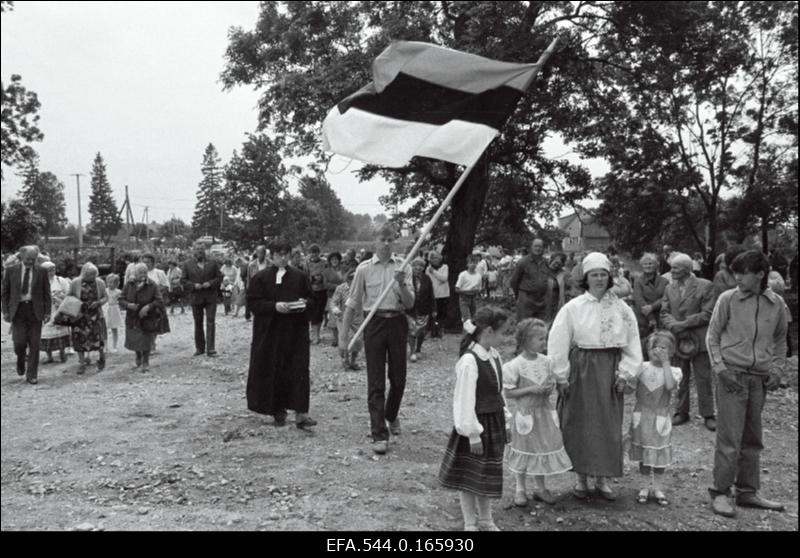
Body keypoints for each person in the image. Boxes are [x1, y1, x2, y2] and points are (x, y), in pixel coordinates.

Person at [548, 252, 642, 501]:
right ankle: (581, 477)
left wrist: (626, 373)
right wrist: (561, 375)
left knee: (607, 425)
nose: (599, 279)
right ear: (586, 279)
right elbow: (558, 342)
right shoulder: (573, 308)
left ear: (609, 277)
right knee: (579, 422)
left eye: (603, 274)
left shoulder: (622, 309)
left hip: (610, 369)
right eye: (594, 275)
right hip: (582, 368)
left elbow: (633, 344)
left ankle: (602, 478)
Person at [706, 250, 788, 518]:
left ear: (761, 275)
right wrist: (720, 369)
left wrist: (777, 368)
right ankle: (720, 492)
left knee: (753, 439)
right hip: (732, 376)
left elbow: (780, 340)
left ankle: (748, 491)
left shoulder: (776, 304)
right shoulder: (727, 299)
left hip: (759, 380)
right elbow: (713, 336)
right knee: (729, 438)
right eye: (735, 272)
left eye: (743, 273)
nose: (737, 278)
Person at [342, 224, 415, 455]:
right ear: (375, 241)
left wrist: (402, 282)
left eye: (389, 239)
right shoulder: (363, 269)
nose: (386, 243)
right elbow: (352, 304)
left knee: (399, 379)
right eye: (382, 239)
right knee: (376, 382)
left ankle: (391, 415)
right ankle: (379, 434)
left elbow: (411, 303)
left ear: (394, 241)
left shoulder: (405, 266)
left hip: (397, 322)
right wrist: (344, 338)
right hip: (373, 323)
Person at [438, 307, 510, 531]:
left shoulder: (494, 355)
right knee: (469, 479)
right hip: (476, 428)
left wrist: (506, 420)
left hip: (493, 422)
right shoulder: (470, 361)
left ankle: (487, 520)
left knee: (485, 475)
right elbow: (463, 400)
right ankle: (470, 523)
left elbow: (500, 392)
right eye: (502, 333)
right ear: (488, 331)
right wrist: (472, 433)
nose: (504, 338)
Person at [246, 241, 317, 431]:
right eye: (279, 254)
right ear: (272, 256)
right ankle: (278, 411)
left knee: (299, 370)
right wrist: (274, 307)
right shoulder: (261, 278)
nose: (283, 258)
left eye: (287, 254)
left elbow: (312, 300)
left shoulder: (300, 277)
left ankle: (301, 413)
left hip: (295, 333)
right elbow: (253, 303)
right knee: (274, 370)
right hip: (271, 334)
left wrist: (304, 303)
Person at [503, 318, 572, 507]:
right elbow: (509, 392)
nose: (544, 343)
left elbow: (554, 382)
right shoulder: (515, 365)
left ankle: (540, 488)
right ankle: (520, 488)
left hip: (543, 412)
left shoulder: (548, 362)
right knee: (524, 448)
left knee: (541, 448)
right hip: (526, 413)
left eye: (545, 338)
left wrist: (552, 386)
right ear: (525, 340)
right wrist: (530, 390)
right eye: (540, 339)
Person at [660, 253, 717, 431]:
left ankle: (708, 414)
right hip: (678, 339)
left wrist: (682, 324)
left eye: (675, 268)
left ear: (686, 269)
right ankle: (681, 411)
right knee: (680, 376)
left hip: (698, 340)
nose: (672, 271)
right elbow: (664, 312)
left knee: (703, 377)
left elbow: (708, 314)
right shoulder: (669, 288)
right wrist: (673, 326)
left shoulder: (705, 285)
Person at [624, 330, 681, 506]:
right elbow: (629, 390)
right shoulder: (641, 368)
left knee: (658, 451)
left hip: (660, 415)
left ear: (671, 351)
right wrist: (626, 379)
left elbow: (671, 386)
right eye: (653, 347)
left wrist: (665, 363)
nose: (657, 351)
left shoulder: (674, 371)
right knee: (644, 451)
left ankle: (657, 486)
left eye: (663, 347)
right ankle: (643, 486)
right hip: (642, 414)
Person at [1, 246, 51, 384]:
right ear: (22, 256)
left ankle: (32, 375)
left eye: (33, 259)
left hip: (36, 311)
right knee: (19, 342)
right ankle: (21, 359)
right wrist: (5, 311)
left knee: (35, 343)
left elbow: (47, 293)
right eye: (28, 259)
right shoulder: (11, 271)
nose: (31, 261)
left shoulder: (42, 271)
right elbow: (5, 293)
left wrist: (47, 312)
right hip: (18, 310)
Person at [119, 263, 164, 372]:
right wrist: (128, 305)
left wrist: (148, 307)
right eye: (140, 272)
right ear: (135, 273)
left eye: (145, 272)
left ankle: (145, 361)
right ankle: (138, 355)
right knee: (135, 339)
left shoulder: (152, 285)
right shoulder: (129, 284)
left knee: (146, 339)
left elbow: (159, 300)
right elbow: (121, 299)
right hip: (132, 317)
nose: (143, 274)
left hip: (147, 317)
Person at [181, 245, 223, 357]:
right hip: (196, 297)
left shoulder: (213, 263)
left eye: (201, 249)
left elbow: (220, 277)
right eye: (197, 249)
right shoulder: (187, 264)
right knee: (198, 323)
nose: (199, 251)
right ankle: (199, 348)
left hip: (210, 296)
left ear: (205, 251)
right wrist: (193, 286)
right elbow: (183, 280)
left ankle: (211, 349)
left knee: (210, 322)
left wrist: (210, 283)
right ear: (193, 251)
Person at [67, 262, 108, 375]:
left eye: (94, 274)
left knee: (98, 338)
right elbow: (69, 296)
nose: (93, 277)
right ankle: (81, 363)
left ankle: (101, 357)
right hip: (79, 316)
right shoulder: (76, 282)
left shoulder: (99, 282)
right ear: (84, 273)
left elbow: (105, 297)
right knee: (79, 339)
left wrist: (99, 302)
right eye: (90, 274)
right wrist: (77, 304)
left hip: (95, 315)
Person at [510, 238, 557, 321]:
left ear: (543, 249)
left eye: (540, 247)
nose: (538, 249)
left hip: (541, 300)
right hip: (526, 299)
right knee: (524, 326)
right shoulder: (523, 262)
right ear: (531, 247)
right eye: (535, 246)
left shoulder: (545, 262)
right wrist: (520, 295)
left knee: (539, 326)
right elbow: (514, 281)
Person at [632, 253, 669, 352]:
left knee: (660, 348)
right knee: (644, 348)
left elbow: (665, 298)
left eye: (650, 264)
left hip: (660, 317)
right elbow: (639, 300)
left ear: (656, 265)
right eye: (645, 264)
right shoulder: (638, 281)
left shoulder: (664, 281)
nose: (647, 266)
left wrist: (652, 307)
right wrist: (651, 318)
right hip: (644, 319)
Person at [330, 265, 363, 370]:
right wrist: (336, 310)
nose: (352, 280)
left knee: (357, 341)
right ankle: (345, 360)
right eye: (350, 277)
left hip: (358, 319)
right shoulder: (341, 288)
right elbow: (334, 302)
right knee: (345, 339)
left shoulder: (363, 288)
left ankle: (353, 361)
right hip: (343, 318)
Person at [40, 261, 72, 363]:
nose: (51, 272)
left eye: (53, 270)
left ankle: (62, 352)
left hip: (59, 309)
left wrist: (60, 297)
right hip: (47, 310)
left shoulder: (60, 280)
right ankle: (49, 356)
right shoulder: (40, 282)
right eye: (48, 271)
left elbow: (69, 294)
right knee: (46, 332)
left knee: (61, 330)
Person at [406, 257, 434, 363]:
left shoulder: (427, 278)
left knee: (421, 331)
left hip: (424, 308)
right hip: (411, 308)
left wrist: (434, 309)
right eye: (415, 265)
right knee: (412, 330)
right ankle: (412, 352)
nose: (418, 267)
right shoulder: (408, 277)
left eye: (421, 266)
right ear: (412, 267)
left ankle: (418, 348)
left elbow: (431, 294)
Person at [305, 245, 327, 344]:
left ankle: (318, 334)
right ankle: (314, 335)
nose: (313, 254)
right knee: (312, 313)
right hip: (312, 291)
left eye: (315, 252)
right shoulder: (307, 263)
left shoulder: (324, 262)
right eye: (312, 252)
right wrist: (313, 279)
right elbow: (305, 276)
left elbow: (326, 274)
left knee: (320, 312)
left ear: (319, 253)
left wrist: (321, 278)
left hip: (322, 290)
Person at [323, 251, 345, 347]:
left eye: (336, 259)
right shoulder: (326, 271)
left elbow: (349, 280)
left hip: (344, 297)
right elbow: (325, 284)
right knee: (333, 317)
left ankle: (343, 338)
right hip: (332, 297)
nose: (334, 261)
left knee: (344, 317)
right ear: (330, 261)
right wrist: (337, 286)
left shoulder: (345, 269)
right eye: (332, 259)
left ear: (339, 260)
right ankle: (335, 339)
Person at [426, 251, 449, 338]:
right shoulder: (428, 269)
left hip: (443, 294)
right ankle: (432, 331)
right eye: (433, 258)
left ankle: (440, 331)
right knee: (433, 314)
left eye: (436, 258)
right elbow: (427, 280)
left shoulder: (445, 267)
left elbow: (444, 278)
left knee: (441, 314)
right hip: (433, 294)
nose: (435, 260)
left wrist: (434, 272)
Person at [455, 254, 483, 323]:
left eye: (475, 263)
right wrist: (469, 290)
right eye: (471, 263)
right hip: (464, 298)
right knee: (467, 318)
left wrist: (477, 291)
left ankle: (473, 332)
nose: (473, 265)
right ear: (467, 264)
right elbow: (457, 289)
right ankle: (467, 332)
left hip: (473, 298)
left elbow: (479, 289)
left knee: (474, 318)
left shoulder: (478, 276)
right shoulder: (463, 275)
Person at [245, 246, 270, 321]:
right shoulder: (251, 265)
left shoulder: (270, 264)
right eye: (258, 253)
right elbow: (249, 278)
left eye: (261, 253)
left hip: (267, 288)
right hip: (256, 288)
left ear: (265, 253)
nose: (260, 255)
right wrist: (248, 289)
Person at [104, 273, 123, 353]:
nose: (110, 284)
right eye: (109, 282)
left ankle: (114, 346)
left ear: (117, 283)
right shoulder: (105, 291)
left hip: (114, 310)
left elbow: (121, 301)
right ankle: (105, 346)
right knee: (104, 328)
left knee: (114, 328)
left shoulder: (118, 292)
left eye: (112, 282)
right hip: (106, 309)